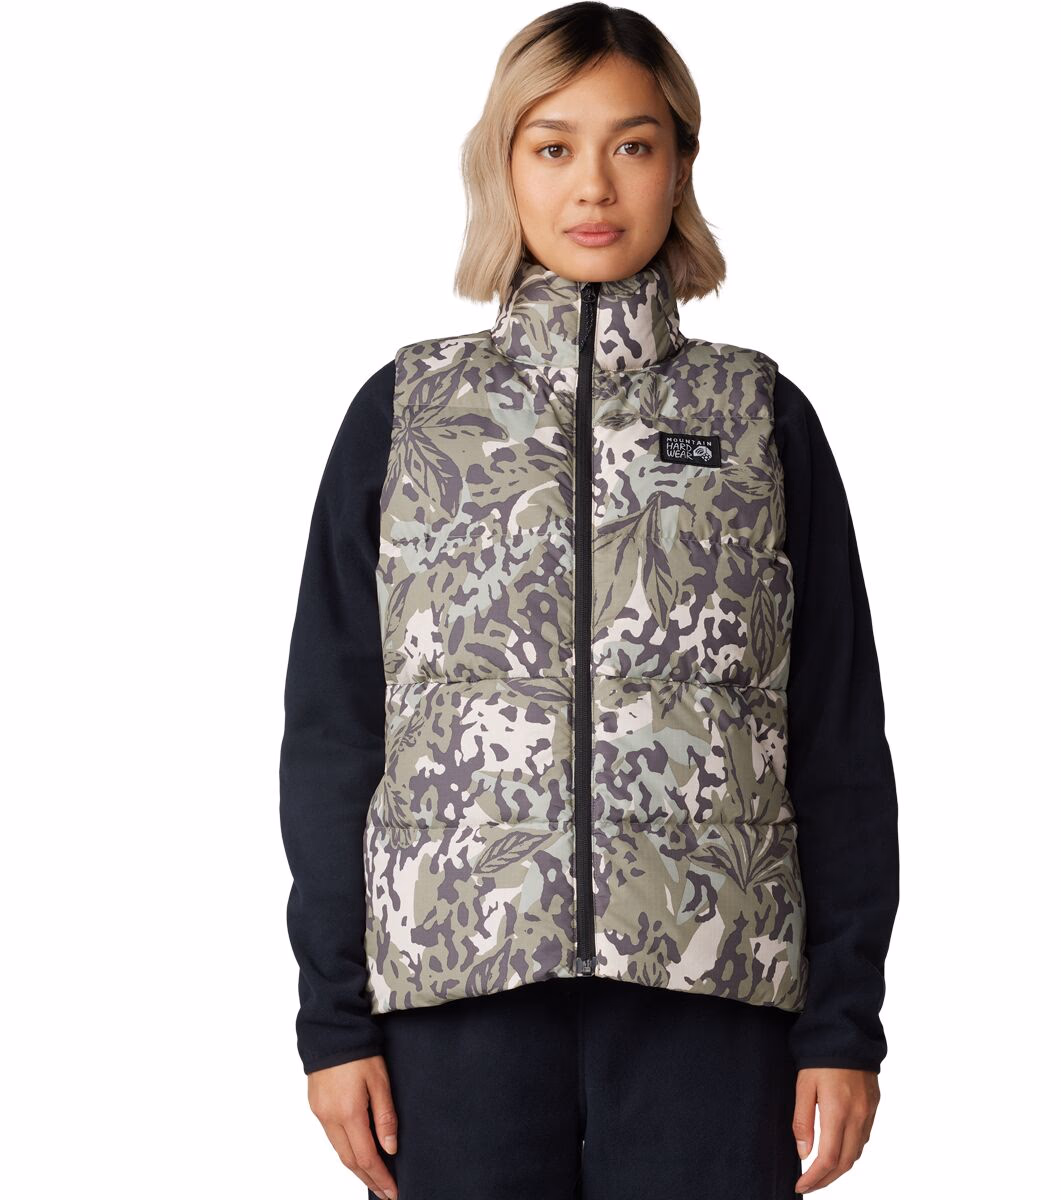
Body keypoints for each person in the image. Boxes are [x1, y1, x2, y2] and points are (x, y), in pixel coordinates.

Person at [278, 5, 900, 1197]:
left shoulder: (760, 418)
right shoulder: (405, 415)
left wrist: (844, 1023)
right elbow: (335, 731)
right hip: (454, 993)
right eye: (554, 146)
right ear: (504, 167)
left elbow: (834, 736)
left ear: (680, 166)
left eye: (634, 144)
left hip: (715, 996)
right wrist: (334, 1020)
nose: (595, 185)